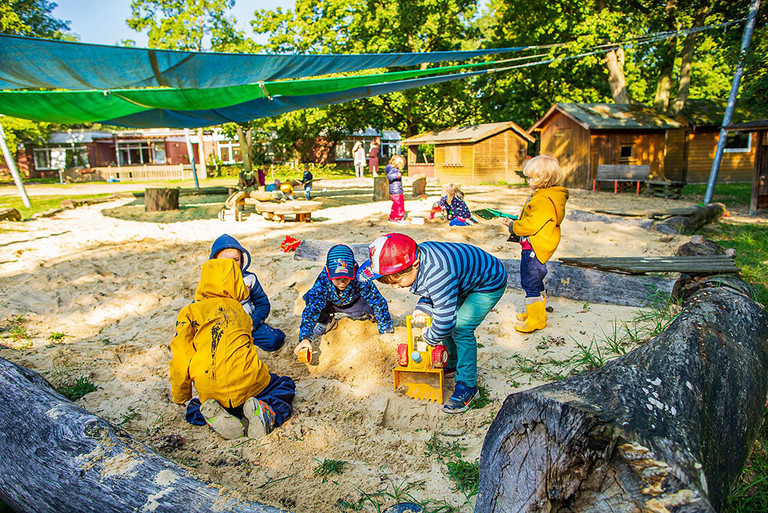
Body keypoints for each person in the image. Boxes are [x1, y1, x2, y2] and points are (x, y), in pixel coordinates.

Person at [358, 233, 506, 414]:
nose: (395, 287)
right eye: (390, 284)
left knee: (461, 328)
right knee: (447, 322)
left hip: (487, 282)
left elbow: (445, 320)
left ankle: (468, 386)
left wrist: (428, 339)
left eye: (396, 281)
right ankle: (451, 363)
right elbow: (432, 292)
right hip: (460, 281)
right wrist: (423, 306)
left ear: (415, 265)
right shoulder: (418, 258)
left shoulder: (438, 272)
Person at [170, 258, 295, 439]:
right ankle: (264, 413)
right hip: (248, 383)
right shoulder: (240, 312)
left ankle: (217, 415)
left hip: (211, 388)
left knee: (194, 408)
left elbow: (181, 357)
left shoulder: (189, 312)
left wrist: (181, 395)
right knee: (283, 385)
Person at [501, 154, 568, 334]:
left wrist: (513, 226)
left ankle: (536, 319)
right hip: (535, 246)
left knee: (530, 281)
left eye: (531, 177)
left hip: (534, 248)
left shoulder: (542, 199)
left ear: (544, 179)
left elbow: (531, 225)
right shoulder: (548, 195)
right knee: (536, 281)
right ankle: (537, 312)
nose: (528, 181)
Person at [294, 244, 394, 359]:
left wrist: (386, 329)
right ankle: (326, 322)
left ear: (354, 268)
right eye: (337, 278)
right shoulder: (323, 280)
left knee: (374, 306)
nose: (342, 282)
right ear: (327, 270)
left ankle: (373, 318)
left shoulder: (360, 275)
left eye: (346, 277)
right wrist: (305, 338)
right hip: (332, 304)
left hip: (355, 304)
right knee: (310, 298)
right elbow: (311, 310)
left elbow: (378, 301)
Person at [209, 234, 286, 352]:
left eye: (235, 260)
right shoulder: (209, 282)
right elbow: (199, 307)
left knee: (274, 340)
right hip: (221, 327)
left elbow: (262, 304)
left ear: (242, 260)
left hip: (247, 325)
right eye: (225, 261)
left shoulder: (249, 279)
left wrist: (253, 323)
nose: (232, 265)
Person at [386, 154, 406, 223]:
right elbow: (389, 176)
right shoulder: (393, 170)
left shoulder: (393, 169)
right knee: (400, 205)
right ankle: (400, 218)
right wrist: (396, 175)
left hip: (396, 190)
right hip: (396, 191)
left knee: (395, 205)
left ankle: (392, 218)